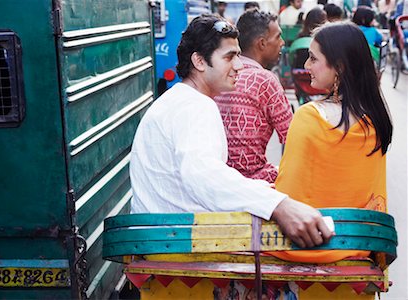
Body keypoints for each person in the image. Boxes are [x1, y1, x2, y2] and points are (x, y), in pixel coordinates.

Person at [130, 14, 333, 249]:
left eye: (238, 55)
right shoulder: (195, 106)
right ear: (199, 61)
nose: (238, 65)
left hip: (165, 238)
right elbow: (204, 176)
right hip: (173, 246)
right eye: (229, 57)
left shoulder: (183, 99)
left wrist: (262, 191)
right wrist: (279, 205)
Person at [269, 22, 392, 265]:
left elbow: (288, 194)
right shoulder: (376, 120)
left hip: (305, 248)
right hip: (359, 248)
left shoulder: (309, 116)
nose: (306, 66)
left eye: (313, 59)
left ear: (339, 67)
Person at [214, 10, 292, 183]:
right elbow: (293, 138)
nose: (282, 43)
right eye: (278, 37)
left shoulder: (220, 73)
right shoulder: (265, 80)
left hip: (218, 180)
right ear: (262, 43)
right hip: (254, 182)